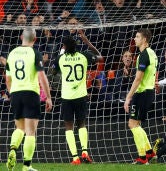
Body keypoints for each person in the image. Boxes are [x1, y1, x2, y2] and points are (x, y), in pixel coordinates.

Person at [5, 28, 53, 171]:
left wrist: (12, 93)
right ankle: (27, 166)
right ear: (35, 39)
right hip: (31, 93)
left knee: (19, 127)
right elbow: (41, 76)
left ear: (21, 37)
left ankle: (13, 149)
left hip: (15, 93)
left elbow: (8, 79)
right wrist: (48, 97)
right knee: (31, 132)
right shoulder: (34, 53)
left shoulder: (12, 53)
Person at [51, 33, 103, 165]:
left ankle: (75, 158)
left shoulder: (60, 59)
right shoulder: (84, 55)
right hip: (81, 96)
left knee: (69, 126)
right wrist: (88, 43)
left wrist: (61, 53)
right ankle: (85, 152)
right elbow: (101, 58)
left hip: (67, 97)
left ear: (64, 47)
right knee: (81, 124)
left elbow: (53, 73)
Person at [123, 28, 158, 165]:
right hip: (149, 92)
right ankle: (150, 153)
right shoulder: (152, 53)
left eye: (137, 37)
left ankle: (142, 158)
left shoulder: (143, 55)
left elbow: (138, 79)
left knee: (132, 124)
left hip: (142, 92)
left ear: (144, 39)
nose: (135, 39)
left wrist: (128, 97)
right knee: (136, 124)